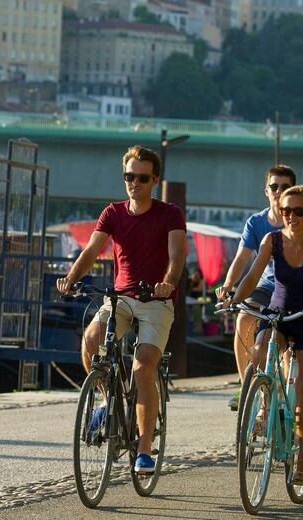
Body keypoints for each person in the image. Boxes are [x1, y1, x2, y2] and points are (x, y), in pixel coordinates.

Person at [56, 145, 186, 476]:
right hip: (121, 298)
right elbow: (91, 250)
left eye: (142, 178)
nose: (135, 183)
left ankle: (144, 450)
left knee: (143, 368)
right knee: (90, 340)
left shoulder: (169, 213)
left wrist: (168, 283)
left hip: (156, 301)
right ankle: (104, 398)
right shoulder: (113, 213)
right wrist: (71, 278)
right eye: (129, 176)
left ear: (154, 180)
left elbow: (176, 257)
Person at [225, 185, 303, 485]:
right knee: (261, 349)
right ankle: (267, 405)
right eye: (286, 211)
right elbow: (252, 276)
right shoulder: (271, 240)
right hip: (278, 313)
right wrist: (235, 299)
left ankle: (302, 457)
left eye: (299, 211)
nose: (291, 216)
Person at [217, 165, 297, 410]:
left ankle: (283, 399)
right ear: (266, 191)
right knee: (244, 319)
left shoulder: (299, 218)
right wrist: (229, 286)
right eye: (274, 186)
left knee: (287, 345)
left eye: (285, 187)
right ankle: (247, 385)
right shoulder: (257, 222)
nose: (279, 191)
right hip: (266, 285)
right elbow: (242, 259)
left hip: (295, 287)